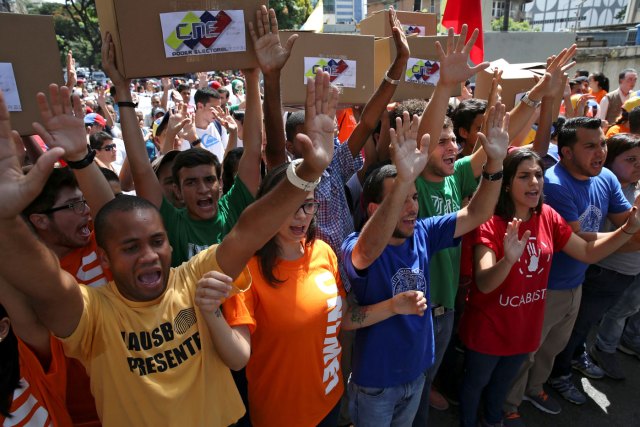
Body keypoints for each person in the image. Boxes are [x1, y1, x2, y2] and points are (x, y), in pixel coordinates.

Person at [0, 59, 340, 427]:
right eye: (130, 247)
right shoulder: (93, 316)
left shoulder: (192, 279)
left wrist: (308, 172)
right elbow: (43, 281)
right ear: (105, 257)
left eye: (157, 241)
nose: (149, 256)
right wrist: (4, 217)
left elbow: (249, 231)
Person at [342, 97, 509, 425]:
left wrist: (495, 163)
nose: (412, 208)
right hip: (376, 383)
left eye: (415, 198)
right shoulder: (356, 245)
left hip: (418, 374)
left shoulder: (424, 233)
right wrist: (393, 305)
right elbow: (364, 261)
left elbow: (477, 213)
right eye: (401, 200)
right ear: (375, 209)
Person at [223, 163, 427, 426]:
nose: (301, 217)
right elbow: (237, 357)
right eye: (290, 206)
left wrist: (393, 306)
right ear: (268, 206)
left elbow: (343, 318)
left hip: (330, 402)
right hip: (281, 415)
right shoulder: (247, 271)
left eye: (308, 205)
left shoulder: (323, 252)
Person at [459, 149, 640, 427]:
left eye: (538, 175)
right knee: (475, 384)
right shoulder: (490, 222)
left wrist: (628, 229)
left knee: (503, 383)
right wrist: (508, 259)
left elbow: (587, 252)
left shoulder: (548, 216)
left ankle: (494, 419)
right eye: (524, 176)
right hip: (490, 327)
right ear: (506, 183)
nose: (534, 182)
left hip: (526, 324)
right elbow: (484, 282)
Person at [505, 117, 635, 418]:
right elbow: (581, 241)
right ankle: (507, 405)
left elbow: (625, 221)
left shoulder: (605, 177)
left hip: (576, 282)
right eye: (589, 145)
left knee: (554, 346)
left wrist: (630, 229)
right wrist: (630, 234)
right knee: (526, 351)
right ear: (566, 152)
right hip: (543, 287)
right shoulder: (553, 184)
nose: (600, 151)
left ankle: (535, 388)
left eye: (602, 143)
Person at [102, 34, 262, 266]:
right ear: (177, 190)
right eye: (191, 182)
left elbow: (254, 151)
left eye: (209, 179)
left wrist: (253, 76)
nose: (203, 188)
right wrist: (122, 91)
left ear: (221, 183)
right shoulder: (171, 222)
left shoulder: (234, 209)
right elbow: (141, 169)